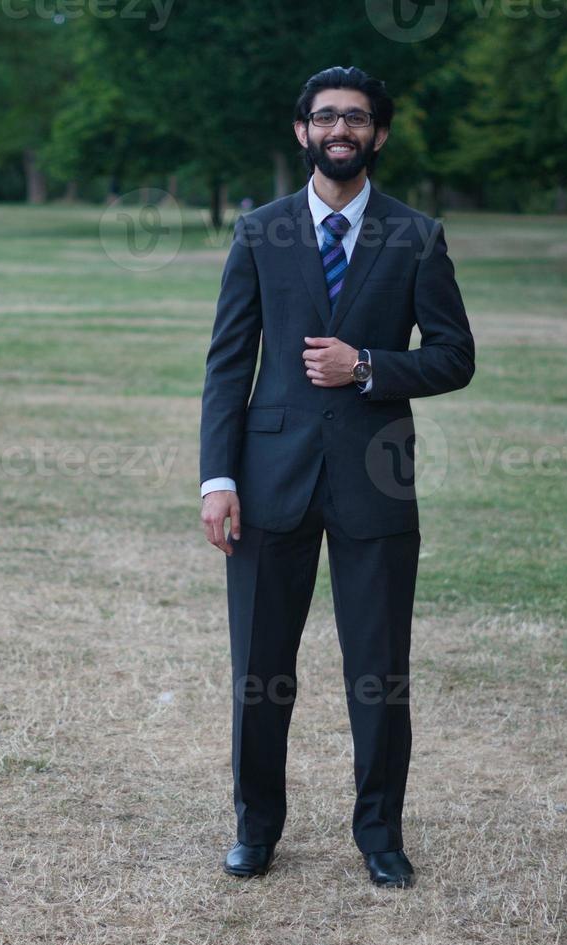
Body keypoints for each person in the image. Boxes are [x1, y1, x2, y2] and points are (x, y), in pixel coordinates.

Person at [198, 66, 476, 888]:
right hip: (268, 476)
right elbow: (225, 366)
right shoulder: (259, 233)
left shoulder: (416, 235)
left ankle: (379, 834)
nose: (340, 130)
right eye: (325, 118)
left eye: (356, 118)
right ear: (302, 132)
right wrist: (217, 479)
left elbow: (455, 357)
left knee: (379, 669)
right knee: (259, 668)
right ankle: (255, 827)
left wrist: (367, 368)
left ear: (379, 134)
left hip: (374, 480)